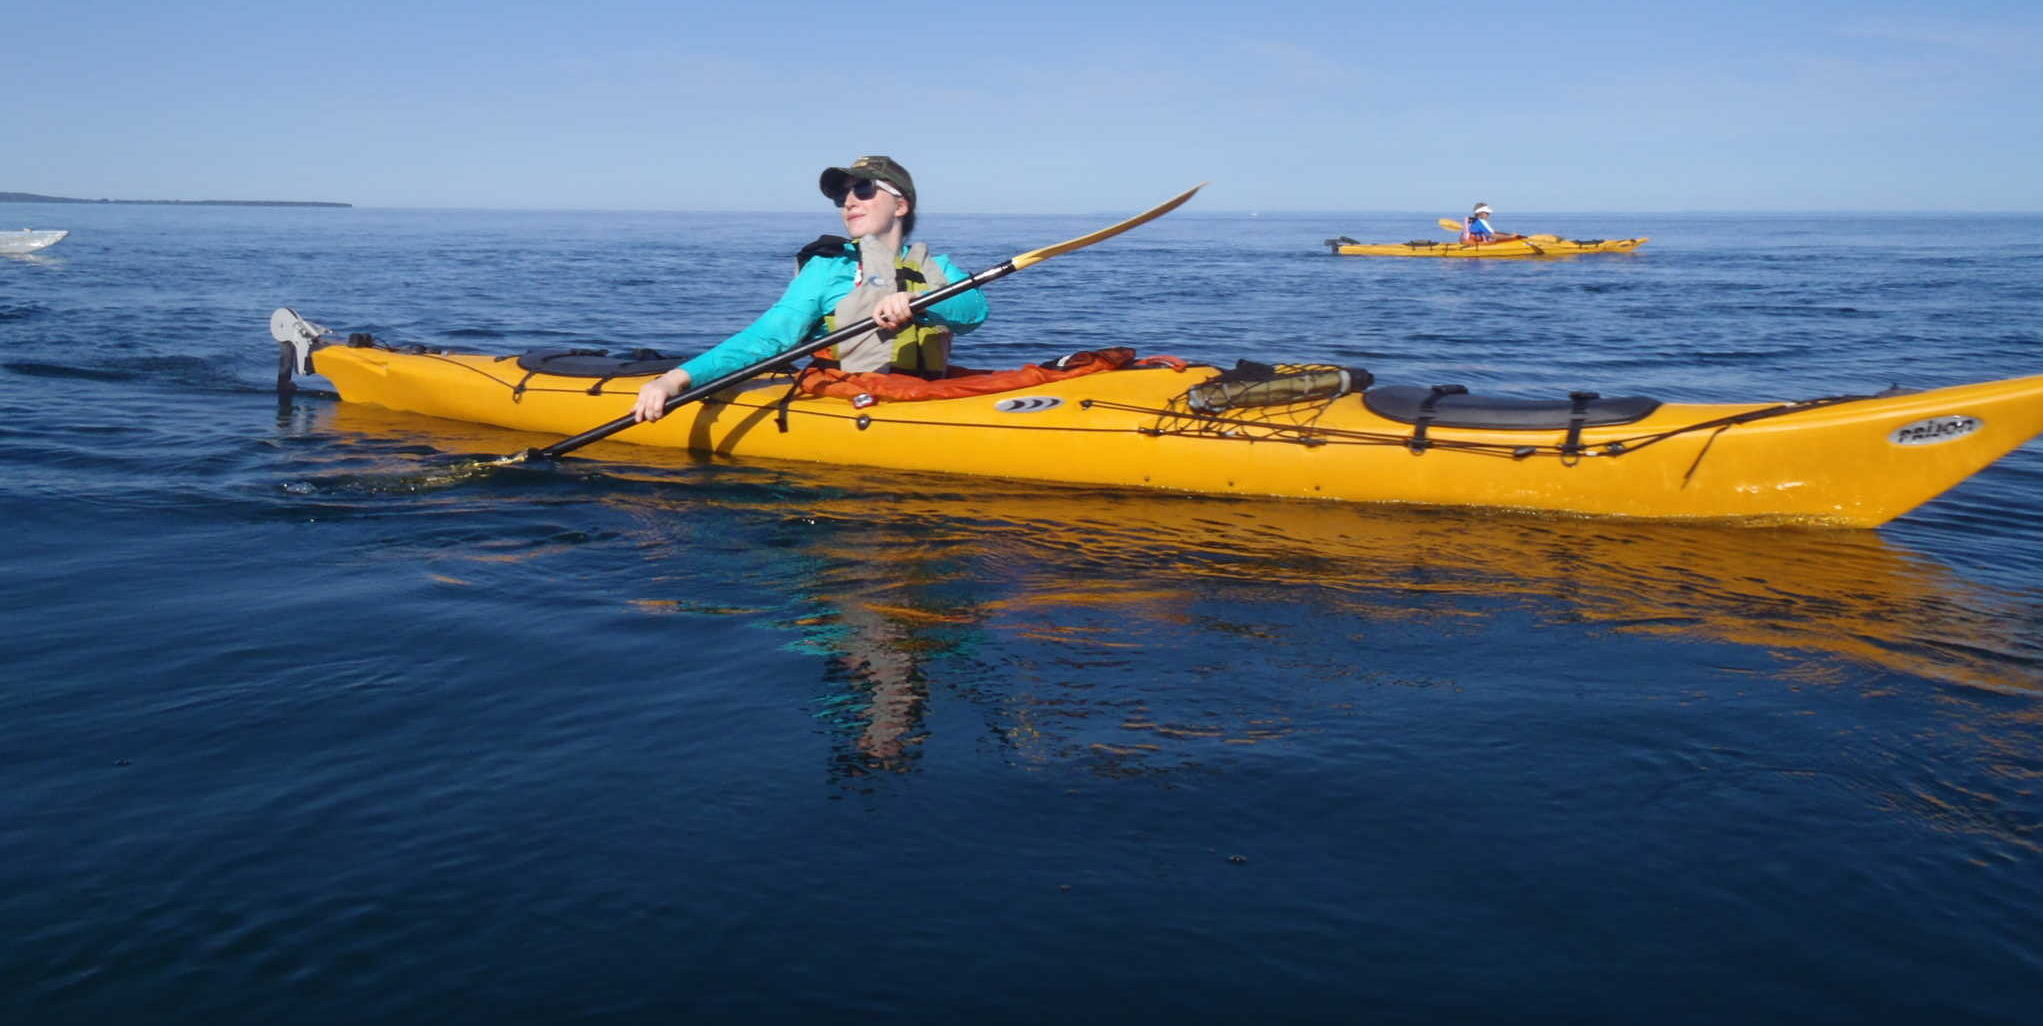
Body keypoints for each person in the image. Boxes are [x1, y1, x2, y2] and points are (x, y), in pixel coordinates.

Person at [632, 155, 988, 422]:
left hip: (921, 392)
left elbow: (974, 313)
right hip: (849, 393)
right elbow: (770, 338)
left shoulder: (936, 266)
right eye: (842, 197)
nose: (849, 202)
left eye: (863, 190)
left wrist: (919, 300)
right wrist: (675, 380)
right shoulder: (829, 268)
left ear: (901, 205)